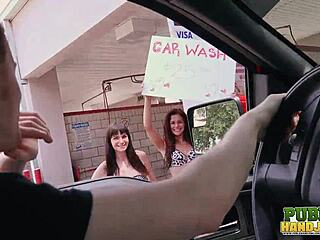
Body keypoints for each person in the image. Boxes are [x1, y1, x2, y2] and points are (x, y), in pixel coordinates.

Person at [0, 24, 285, 240]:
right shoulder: (14, 205)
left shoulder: (143, 157)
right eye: (13, 72)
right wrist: (256, 119)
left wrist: (12, 167)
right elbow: (196, 205)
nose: (17, 88)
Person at [143, 96, 195, 176]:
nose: (176, 126)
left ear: (185, 123)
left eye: (180, 122)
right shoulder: (164, 146)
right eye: (173, 123)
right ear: (168, 125)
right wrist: (147, 99)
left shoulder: (194, 141)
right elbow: (148, 127)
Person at [91, 123, 156, 181]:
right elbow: (90, 187)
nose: (121, 141)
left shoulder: (141, 156)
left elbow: (153, 182)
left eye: (124, 136)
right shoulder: (105, 166)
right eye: (116, 138)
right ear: (110, 142)